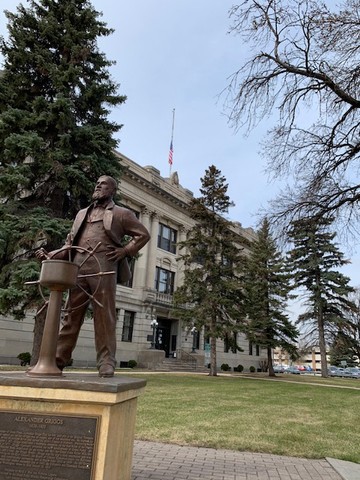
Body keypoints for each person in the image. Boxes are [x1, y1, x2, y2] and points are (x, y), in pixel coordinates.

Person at [36, 175, 150, 377]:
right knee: (71, 315)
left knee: (104, 316)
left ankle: (106, 362)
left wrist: (125, 251)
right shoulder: (81, 214)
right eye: (97, 184)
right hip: (78, 268)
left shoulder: (122, 214)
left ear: (112, 190)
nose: (98, 186)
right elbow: (69, 243)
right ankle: (59, 359)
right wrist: (51, 254)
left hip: (104, 268)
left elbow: (143, 235)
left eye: (103, 184)